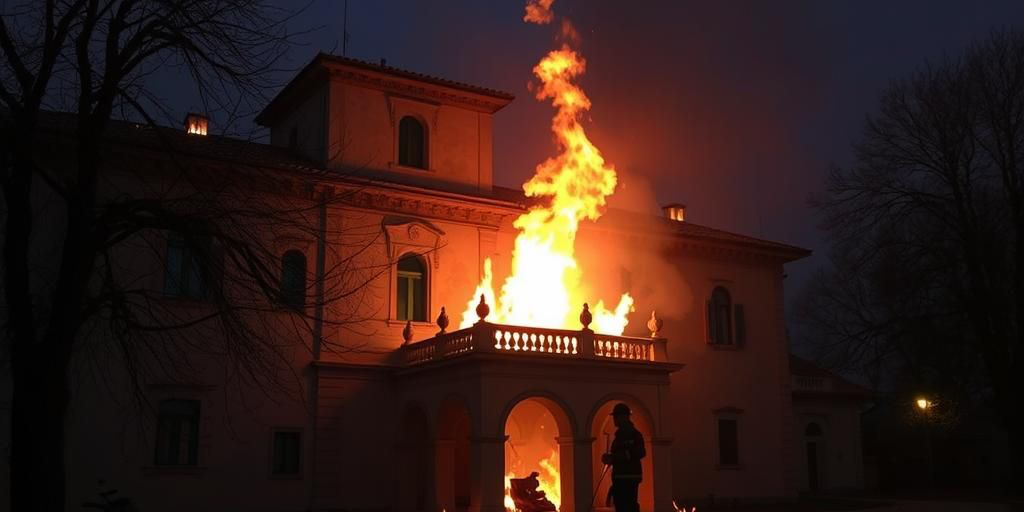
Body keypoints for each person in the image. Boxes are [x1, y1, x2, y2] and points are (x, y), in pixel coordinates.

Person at [601, 402, 645, 512]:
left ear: (624, 417)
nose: (614, 419)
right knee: (620, 506)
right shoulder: (619, 435)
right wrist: (609, 458)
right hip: (619, 477)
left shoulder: (634, 435)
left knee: (629, 506)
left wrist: (617, 457)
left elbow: (641, 452)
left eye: (616, 416)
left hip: (630, 477)